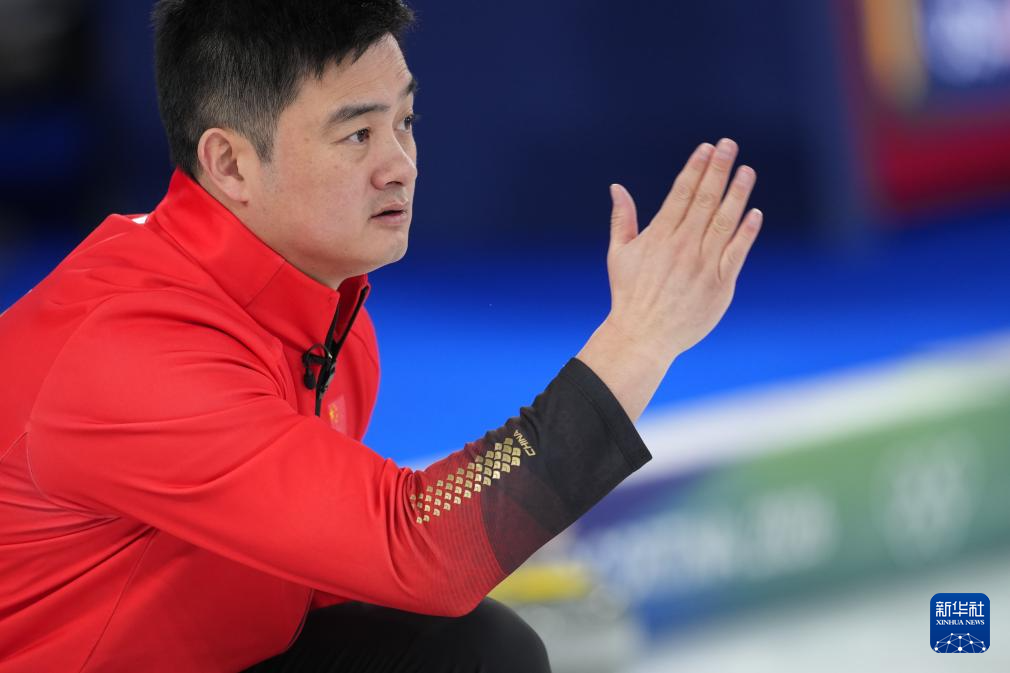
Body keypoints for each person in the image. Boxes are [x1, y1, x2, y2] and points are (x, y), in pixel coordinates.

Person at [0, 1, 762, 671]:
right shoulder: (130, 353)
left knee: (474, 649)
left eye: (405, 123)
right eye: (357, 134)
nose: (399, 166)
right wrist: (638, 340)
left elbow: (338, 552)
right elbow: (421, 548)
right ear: (229, 162)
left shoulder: (329, 317)